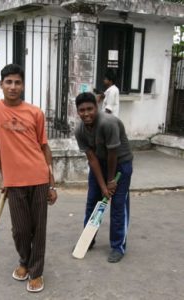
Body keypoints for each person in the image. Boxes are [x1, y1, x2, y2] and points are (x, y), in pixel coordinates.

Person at [0, 64, 57, 293]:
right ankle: (24, 261)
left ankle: (36, 272)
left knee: (39, 228)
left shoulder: (35, 112)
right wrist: (4, 176)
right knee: (21, 229)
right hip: (14, 181)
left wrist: (52, 183)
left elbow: (44, 147)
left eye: (17, 82)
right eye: (9, 82)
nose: (13, 87)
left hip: (38, 176)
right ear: (1, 85)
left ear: (23, 85)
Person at [74, 92, 133, 263]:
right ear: (77, 111)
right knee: (93, 201)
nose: (86, 114)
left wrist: (111, 181)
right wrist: (103, 187)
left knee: (118, 205)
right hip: (99, 164)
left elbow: (113, 155)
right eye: (82, 110)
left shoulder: (108, 123)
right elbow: (92, 159)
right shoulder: (79, 130)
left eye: (90, 109)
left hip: (121, 164)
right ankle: (88, 239)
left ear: (97, 107)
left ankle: (118, 247)